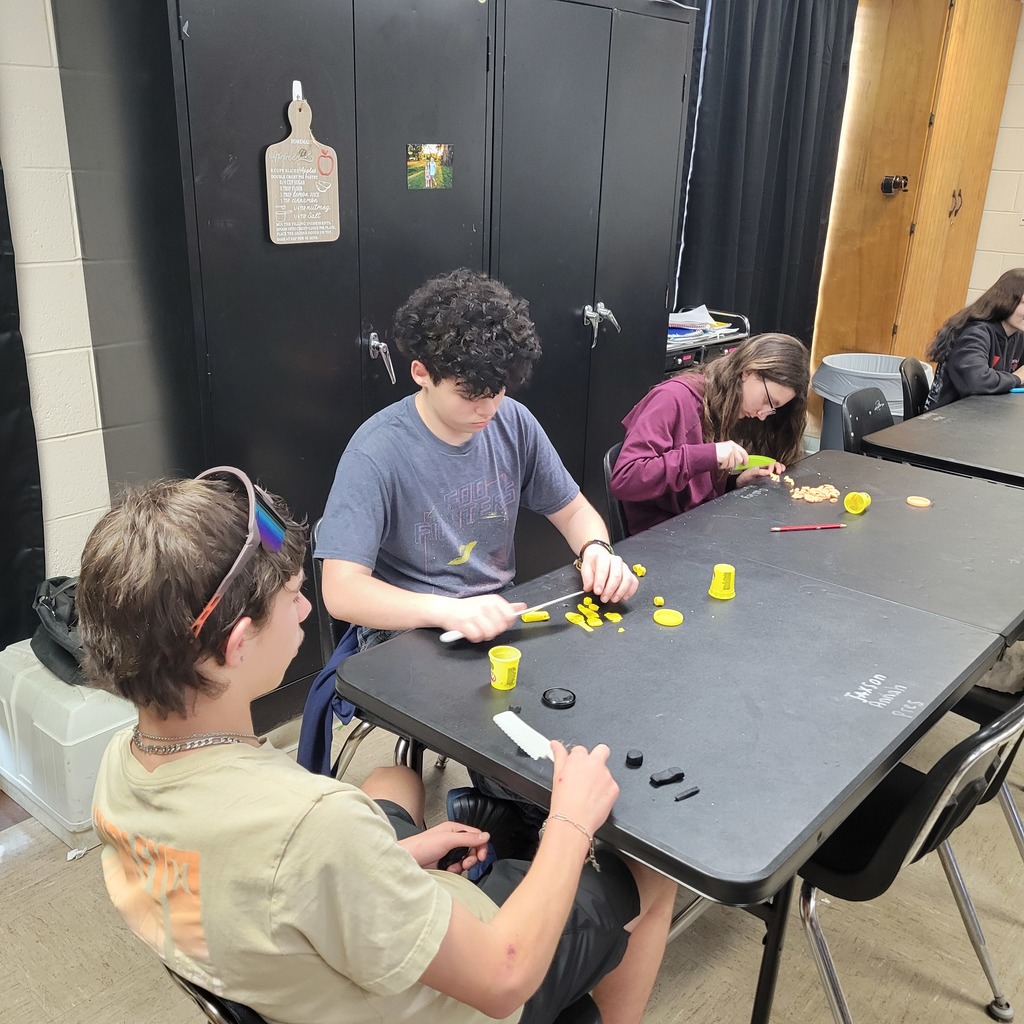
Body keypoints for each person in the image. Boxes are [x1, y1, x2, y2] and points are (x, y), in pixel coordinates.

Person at [82, 469, 676, 1024]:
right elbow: (502, 976)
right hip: (460, 990)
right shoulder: (316, 828)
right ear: (238, 644)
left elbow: (270, 890)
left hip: (316, 968)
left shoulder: (120, 767)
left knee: (394, 782)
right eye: (292, 596)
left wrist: (391, 860)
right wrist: (571, 822)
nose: (307, 608)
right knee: (648, 866)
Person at [317, 268, 638, 649]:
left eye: (497, 390)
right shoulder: (375, 453)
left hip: (493, 614)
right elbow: (341, 592)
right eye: (469, 395)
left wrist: (596, 549)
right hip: (407, 631)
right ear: (421, 373)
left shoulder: (513, 421)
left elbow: (572, 512)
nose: (487, 410)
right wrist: (446, 611)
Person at [610, 333, 809, 535]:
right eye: (768, 400)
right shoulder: (673, 398)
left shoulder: (724, 406)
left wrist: (735, 483)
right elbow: (626, 479)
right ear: (748, 372)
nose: (762, 415)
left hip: (699, 528)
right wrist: (708, 455)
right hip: (658, 539)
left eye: (772, 409)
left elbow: (694, 492)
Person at [923, 267, 1024, 410]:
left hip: (981, 415)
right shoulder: (974, 332)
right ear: (1006, 300)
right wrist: (1018, 377)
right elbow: (976, 381)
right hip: (946, 421)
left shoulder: (1017, 334)